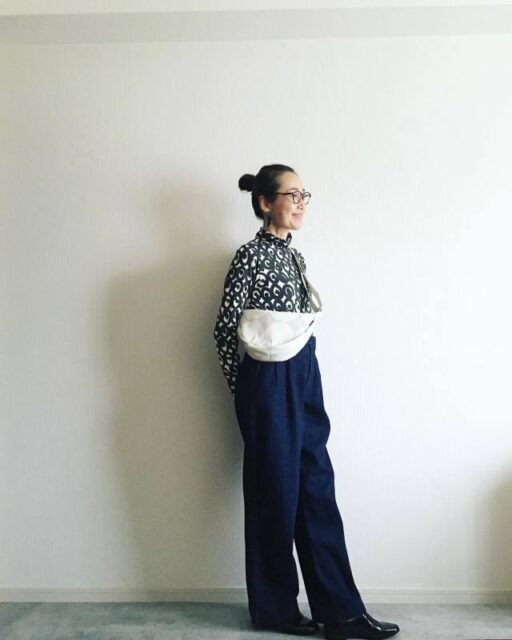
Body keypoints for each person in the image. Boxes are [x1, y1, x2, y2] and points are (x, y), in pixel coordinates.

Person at [213, 164, 400, 640]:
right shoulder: (249, 255)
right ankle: (275, 609)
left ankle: (342, 613)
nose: (301, 203)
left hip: (304, 373)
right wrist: (247, 393)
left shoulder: (296, 257)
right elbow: (224, 329)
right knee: (274, 491)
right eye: (291, 195)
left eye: (304, 195)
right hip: (268, 382)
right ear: (265, 202)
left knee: (316, 485)